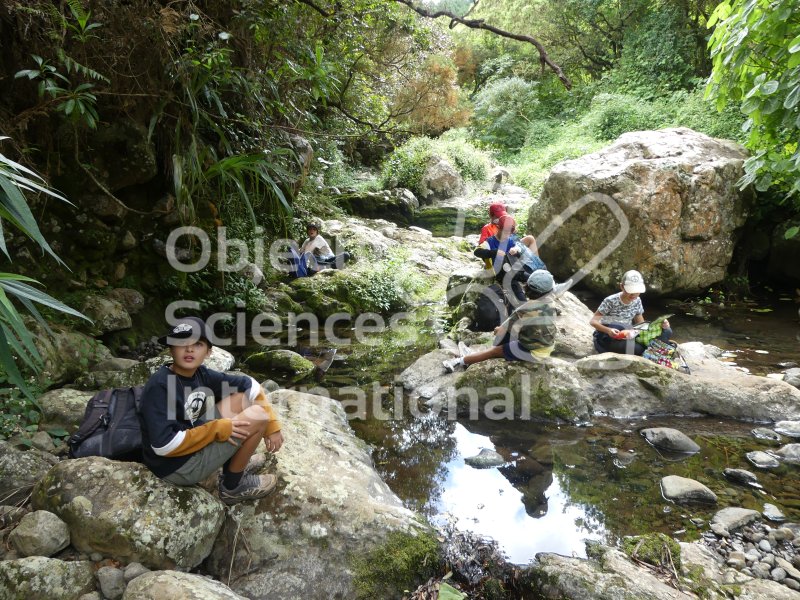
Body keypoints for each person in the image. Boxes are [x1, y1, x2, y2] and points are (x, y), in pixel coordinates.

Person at [138, 317, 284, 505]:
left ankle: (232, 465)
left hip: (190, 443)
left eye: (197, 344)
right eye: (182, 343)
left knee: (242, 399)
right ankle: (233, 486)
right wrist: (216, 428)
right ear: (171, 349)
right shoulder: (161, 385)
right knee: (258, 416)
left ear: (208, 352)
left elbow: (251, 385)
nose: (189, 349)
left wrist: (273, 425)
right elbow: (163, 445)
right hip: (176, 467)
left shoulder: (200, 374)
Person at [443, 270, 561, 372]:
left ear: (527, 287)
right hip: (548, 345)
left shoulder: (523, 310)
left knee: (494, 351)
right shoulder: (551, 302)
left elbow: (500, 331)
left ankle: (461, 361)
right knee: (514, 330)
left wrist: (497, 329)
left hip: (533, 352)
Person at [589, 270, 672, 356]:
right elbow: (593, 321)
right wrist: (609, 330)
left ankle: (652, 347)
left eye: (637, 291)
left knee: (667, 331)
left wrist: (659, 324)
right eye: (630, 291)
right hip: (609, 337)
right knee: (638, 349)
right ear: (622, 286)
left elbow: (641, 324)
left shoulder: (637, 300)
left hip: (628, 334)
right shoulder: (610, 301)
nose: (633, 295)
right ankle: (653, 348)